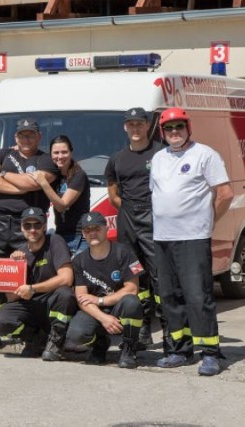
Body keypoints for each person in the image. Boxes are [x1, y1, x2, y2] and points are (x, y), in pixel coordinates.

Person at [150, 107, 234, 376]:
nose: (175, 132)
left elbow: (225, 193)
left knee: (198, 296)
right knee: (170, 297)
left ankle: (210, 353)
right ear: (163, 133)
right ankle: (180, 350)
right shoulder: (159, 158)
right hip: (163, 237)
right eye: (169, 128)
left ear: (188, 128)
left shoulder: (204, 154)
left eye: (179, 127)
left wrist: (208, 223)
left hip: (193, 237)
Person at [104, 107, 168, 352]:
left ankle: (169, 328)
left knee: (159, 275)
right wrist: (130, 208)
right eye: (131, 124)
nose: (135, 128)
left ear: (147, 125)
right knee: (134, 275)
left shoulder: (160, 152)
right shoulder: (117, 158)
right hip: (128, 217)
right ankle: (141, 331)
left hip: (155, 216)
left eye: (139, 124)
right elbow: (112, 192)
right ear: (125, 127)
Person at [0, 207, 76, 361]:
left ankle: (56, 341)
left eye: (37, 225)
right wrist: (15, 269)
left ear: (44, 225)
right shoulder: (19, 253)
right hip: (30, 306)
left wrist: (32, 288)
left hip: (53, 302)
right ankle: (34, 338)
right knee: (0, 322)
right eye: (27, 226)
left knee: (65, 293)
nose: (32, 230)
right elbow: (11, 298)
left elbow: (67, 278)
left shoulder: (55, 241)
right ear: (21, 228)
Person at [63, 212, 145, 369]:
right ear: (83, 234)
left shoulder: (124, 252)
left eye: (96, 228)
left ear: (106, 229)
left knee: (132, 303)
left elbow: (132, 289)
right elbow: (81, 297)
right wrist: (103, 318)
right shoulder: (79, 260)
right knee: (76, 335)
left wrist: (101, 300)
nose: (92, 233)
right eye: (87, 230)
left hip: (118, 307)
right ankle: (99, 344)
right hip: (95, 311)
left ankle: (129, 348)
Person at [0, 118, 59, 258]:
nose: (26, 139)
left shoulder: (46, 159)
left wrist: (3, 174)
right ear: (15, 137)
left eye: (30, 135)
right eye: (22, 135)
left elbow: (31, 183)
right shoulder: (4, 153)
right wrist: (18, 189)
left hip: (30, 225)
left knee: (27, 266)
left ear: (39, 136)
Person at [30, 135, 91, 255]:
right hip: (60, 234)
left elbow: (62, 205)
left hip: (79, 236)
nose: (60, 156)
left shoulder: (78, 175)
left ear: (71, 152)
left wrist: (43, 182)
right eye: (56, 153)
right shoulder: (55, 175)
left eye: (64, 152)